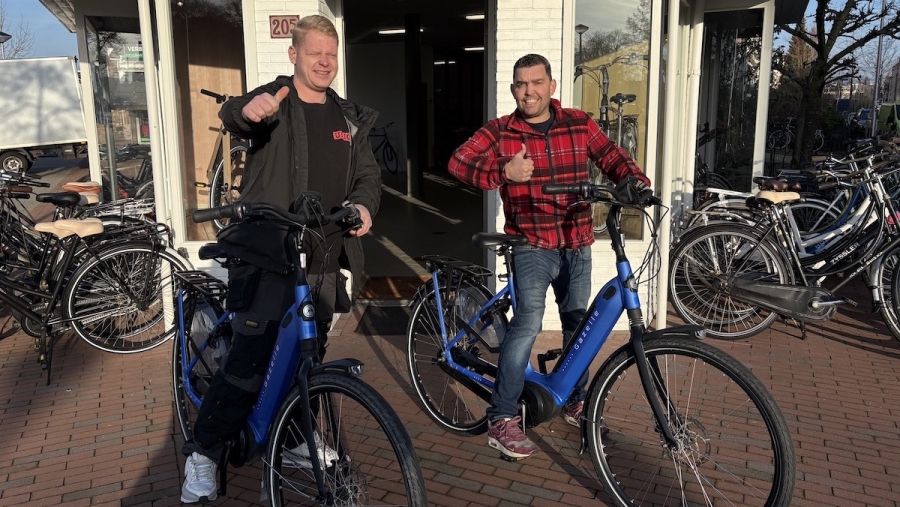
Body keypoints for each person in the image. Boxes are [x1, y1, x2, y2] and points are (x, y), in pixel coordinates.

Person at [180, 15, 382, 503]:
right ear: (294, 55)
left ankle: (292, 438)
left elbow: (369, 178)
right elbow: (237, 114)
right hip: (269, 255)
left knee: (305, 359)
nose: (324, 62)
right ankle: (204, 453)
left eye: (331, 54)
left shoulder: (350, 118)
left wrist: (363, 205)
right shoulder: (275, 101)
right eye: (314, 52)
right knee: (250, 361)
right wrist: (250, 112)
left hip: (323, 259)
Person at [447, 53, 651, 460]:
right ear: (512, 90)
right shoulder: (501, 131)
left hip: (576, 242)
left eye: (536, 82)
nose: (529, 91)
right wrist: (504, 171)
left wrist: (634, 182)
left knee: (580, 325)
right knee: (528, 325)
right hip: (531, 244)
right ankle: (502, 417)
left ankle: (575, 402)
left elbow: (611, 155)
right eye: (521, 84)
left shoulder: (578, 123)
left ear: (552, 86)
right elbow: (458, 163)